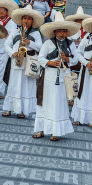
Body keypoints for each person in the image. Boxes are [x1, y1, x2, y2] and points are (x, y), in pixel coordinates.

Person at [33, 13, 79, 141]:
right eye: (59, 30)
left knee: (58, 103)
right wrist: (51, 62)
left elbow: (76, 60)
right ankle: (41, 129)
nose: (62, 33)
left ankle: (55, 131)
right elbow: (40, 58)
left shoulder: (70, 44)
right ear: (55, 31)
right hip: (49, 75)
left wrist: (67, 58)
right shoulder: (48, 43)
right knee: (45, 102)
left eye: (64, 31)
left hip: (64, 76)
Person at [2, 4, 44, 118]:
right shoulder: (15, 31)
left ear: (32, 21)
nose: (26, 21)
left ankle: (22, 110)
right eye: (24, 18)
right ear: (21, 19)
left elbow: (41, 47)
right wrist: (12, 53)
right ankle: (9, 108)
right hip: (16, 61)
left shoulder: (35, 33)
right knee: (13, 85)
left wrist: (30, 42)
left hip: (28, 62)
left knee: (26, 86)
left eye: (29, 19)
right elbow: (6, 45)